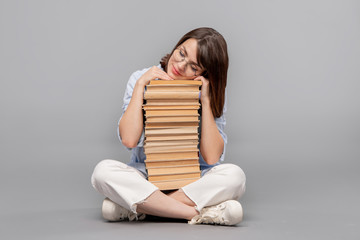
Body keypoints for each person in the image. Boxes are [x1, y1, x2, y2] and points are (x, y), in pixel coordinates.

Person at [91, 27, 246, 226]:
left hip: (193, 180)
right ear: (177, 45)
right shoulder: (141, 78)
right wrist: (140, 86)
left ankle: (142, 208)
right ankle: (197, 213)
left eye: (194, 67)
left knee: (235, 177)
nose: (180, 66)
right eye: (181, 53)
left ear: (205, 73)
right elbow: (129, 140)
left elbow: (212, 157)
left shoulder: (208, 92)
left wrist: (206, 101)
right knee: (102, 172)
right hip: (147, 177)